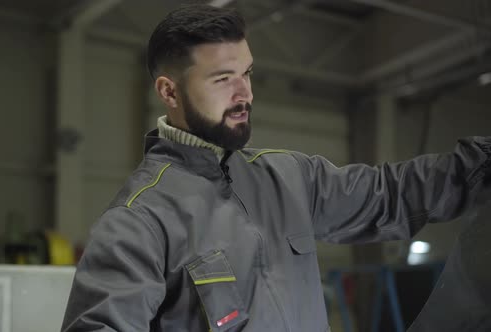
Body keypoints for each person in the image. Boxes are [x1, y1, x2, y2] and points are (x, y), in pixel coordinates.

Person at [61, 4, 491, 331]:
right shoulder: (138, 223)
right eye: (223, 79)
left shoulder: (290, 179)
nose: (245, 93)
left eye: (247, 73)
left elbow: (394, 193)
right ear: (169, 92)